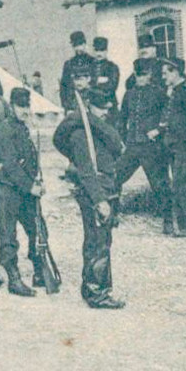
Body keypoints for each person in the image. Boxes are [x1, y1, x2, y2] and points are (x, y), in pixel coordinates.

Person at [53, 85, 126, 309]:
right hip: (96, 193)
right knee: (97, 242)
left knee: (102, 240)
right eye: (100, 108)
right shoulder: (79, 135)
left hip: (106, 188)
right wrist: (100, 201)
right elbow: (86, 172)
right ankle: (97, 292)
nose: (106, 112)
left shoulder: (98, 129)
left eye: (108, 107)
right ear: (89, 108)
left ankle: (96, 287)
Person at [0, 87, 46, 296]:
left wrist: (37, 182)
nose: (24, 110)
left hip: (24, 188)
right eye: (20, 106)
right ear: (11, 106)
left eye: (27, 106)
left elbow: (28, 160)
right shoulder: (4, 129)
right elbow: (11, 164)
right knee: (8, 235)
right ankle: (13, 279)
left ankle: (40, 271)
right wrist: (31, 186)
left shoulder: (23, 127)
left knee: (38, 228)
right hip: (6, 188)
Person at [116, 57, 172, 233]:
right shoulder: (129, 94)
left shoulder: (159, 93)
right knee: (115, 176)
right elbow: (122, 118)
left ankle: (169, 220)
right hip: (132, 145)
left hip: (151, 147)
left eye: (144, 75)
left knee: (159, 184)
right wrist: (122, 140)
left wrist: (159, 130)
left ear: (150, 75)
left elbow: (168, 115)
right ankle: (112, 214)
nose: (141, 79)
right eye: (138, 75)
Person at [156, 57, 186, 236]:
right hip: (172, 144)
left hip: (183, 146)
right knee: (179, 183)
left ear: (176, 72)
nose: (163, 76)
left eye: (166, 73)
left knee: (182, 184)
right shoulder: (174, 91)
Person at [57, 31, 96, 108]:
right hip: (74, 105)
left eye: (80, 44)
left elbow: (97, 84)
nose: (78, 48)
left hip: (91, 104)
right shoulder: (68, 64)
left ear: (85, 44)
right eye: (75, 45)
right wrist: (66, 106)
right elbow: (64, 87)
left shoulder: (93, 62)